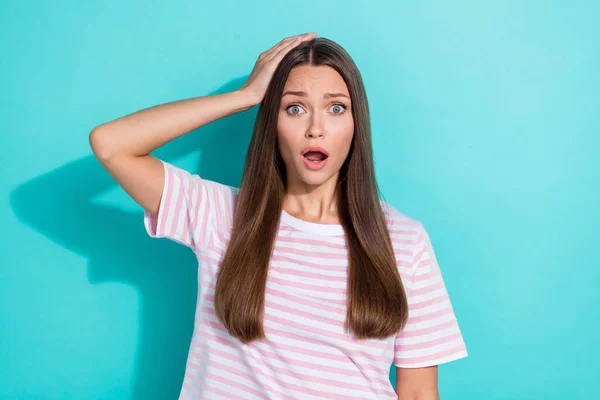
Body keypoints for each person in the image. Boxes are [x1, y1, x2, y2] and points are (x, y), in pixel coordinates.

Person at [90, 32, 467, 400]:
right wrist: (244, 97)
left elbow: (417, 392)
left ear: (356, 125)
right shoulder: (221, 216)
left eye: (336, 108)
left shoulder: (404, 240)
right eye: (295, 108)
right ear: (273, 123)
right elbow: (111, 145)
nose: (316, 129)